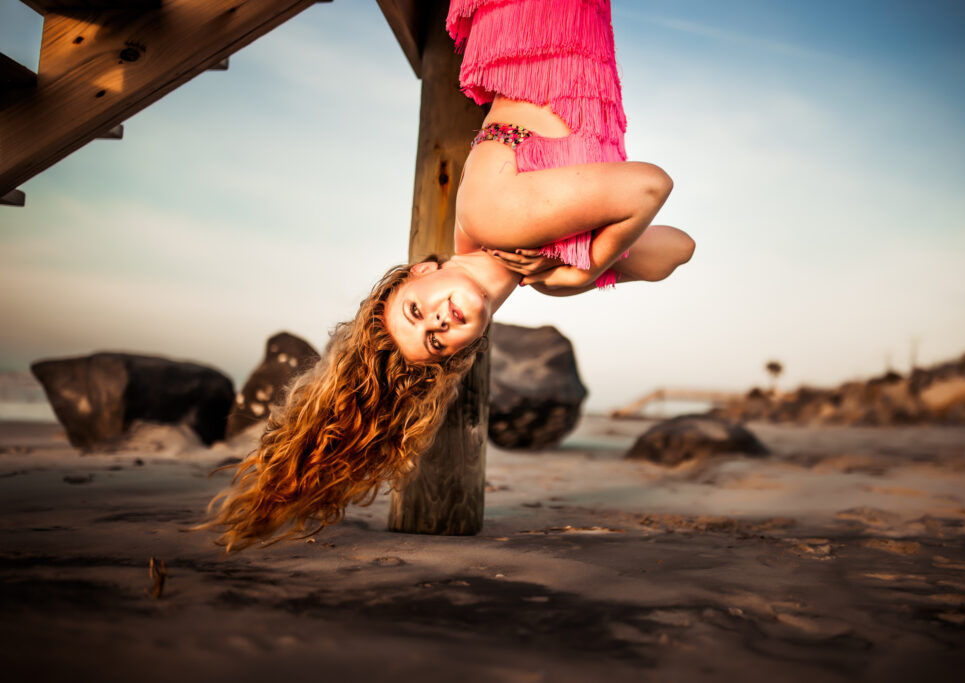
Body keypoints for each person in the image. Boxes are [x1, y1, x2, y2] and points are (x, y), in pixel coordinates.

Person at [204, 0, 694, 551]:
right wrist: (572, 269)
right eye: (436, 341)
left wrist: (590, 270)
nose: (438, 321)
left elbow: (650, 186)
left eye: (416, 311)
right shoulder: (537, 258)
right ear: (463, 350)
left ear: (421, 271)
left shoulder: (498, 222)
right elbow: (677, 251)